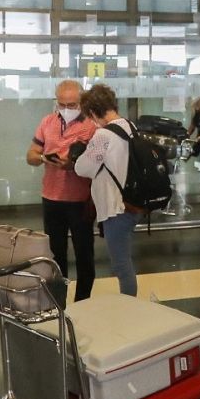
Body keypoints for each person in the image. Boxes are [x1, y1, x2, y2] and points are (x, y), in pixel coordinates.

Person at [27, 80, 98, 304]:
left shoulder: (92, 126)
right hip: (52, 198)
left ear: (82, 102)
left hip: (80, 199)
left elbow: (97, 162)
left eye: (72, 104)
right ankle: (59, 302)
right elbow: (30, 155)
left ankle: (83, 302)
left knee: (84, 253)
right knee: (55, 256)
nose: (67, 109)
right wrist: (43, 157)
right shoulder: (47, 122)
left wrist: (74, 163)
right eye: (62, 104)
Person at [72, 83, 141, 297]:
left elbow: (83, 168)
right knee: (124, 259)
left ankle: (130, 307)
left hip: (115, 206)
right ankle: (129, 304)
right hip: (132, 202)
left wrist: (80, 155)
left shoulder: (103, 136)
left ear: (93, 112)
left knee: (121, 264)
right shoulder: (130, 126)